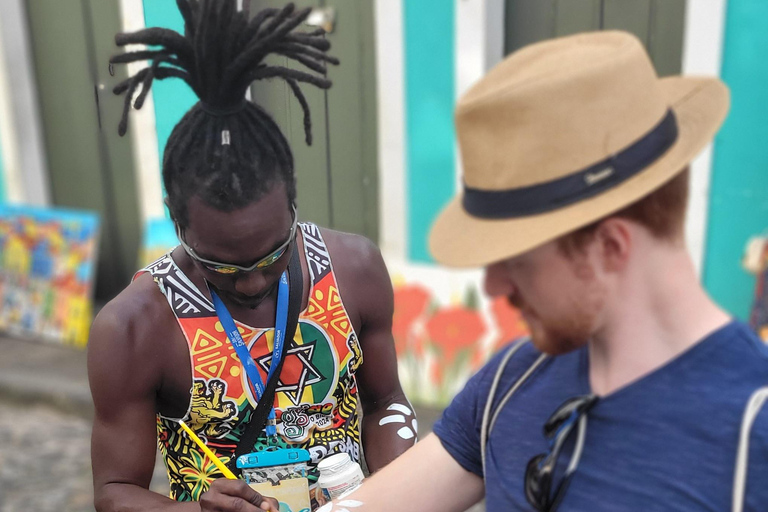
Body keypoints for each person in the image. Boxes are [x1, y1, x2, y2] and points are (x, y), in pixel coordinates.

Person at [318, 31, 768, 512]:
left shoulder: (752, 430)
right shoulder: (514, 378)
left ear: (610, 247)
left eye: (515, 259)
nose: (492, 285)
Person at [87, 2, 414, 511]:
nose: (251, 281)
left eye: (273, 253)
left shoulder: (355, 270)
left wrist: (401, 491)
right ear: (177, 219)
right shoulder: (133, 328)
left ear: (292, 202)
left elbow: (384, 400)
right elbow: (113, 494)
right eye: (222, 265)